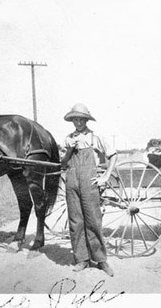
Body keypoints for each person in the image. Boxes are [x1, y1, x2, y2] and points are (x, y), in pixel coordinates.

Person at [61, 103, 117, 277]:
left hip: (89, 182)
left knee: (93, 219)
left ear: (86, 120)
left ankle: (101, 260)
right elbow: (64, 163)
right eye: (75, 119)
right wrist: (69, 148)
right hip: (72, 182)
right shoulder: (68, 138)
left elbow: (113, 155)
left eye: (81, 119)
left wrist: (106, 176)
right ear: (72, 120)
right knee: (75, 221)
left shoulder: (95, 137)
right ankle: (82, 259)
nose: (78, 122)